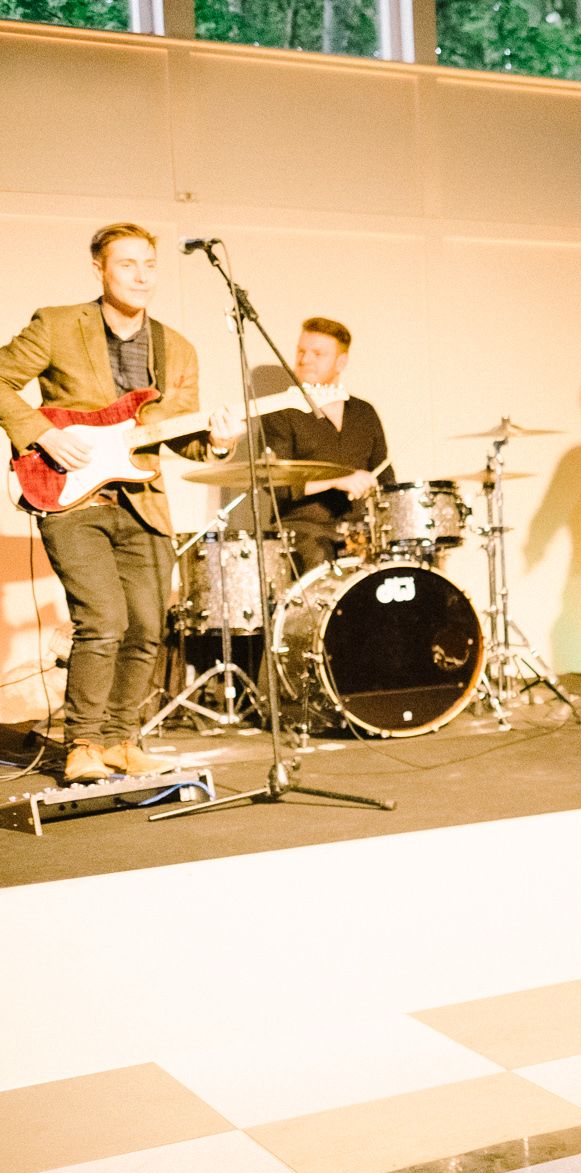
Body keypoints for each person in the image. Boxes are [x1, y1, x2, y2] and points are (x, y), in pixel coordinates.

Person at [0, 222, 243, 784]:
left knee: (147, 626)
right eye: (127, 263)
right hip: (72, 495)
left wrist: (220, 438)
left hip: (144, 499)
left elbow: (181, 438)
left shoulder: (176, 347)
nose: (140, 275)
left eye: (149, 264)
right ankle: (82, 742)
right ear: (100, 269)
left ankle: (122, 741)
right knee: (103, 618)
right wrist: (41, 434)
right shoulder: (59, 324)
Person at [262, 317, 393, 570]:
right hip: (303, 530)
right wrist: (337, 480)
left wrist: (372, 485)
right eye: (301, 351)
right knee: (316, 559)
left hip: (360, 530)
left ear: (341, 362)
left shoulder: (364, 413)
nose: (304, 359)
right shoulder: (280, 411)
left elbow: (386, 478)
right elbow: (277, 483)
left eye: (317, 353)